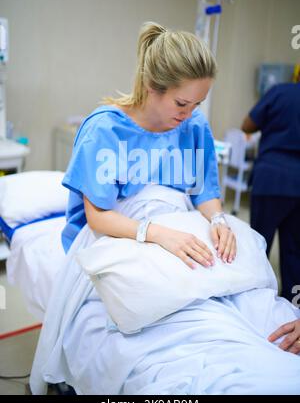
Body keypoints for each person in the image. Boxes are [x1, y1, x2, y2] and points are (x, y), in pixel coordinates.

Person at [61, 21, 237, 270]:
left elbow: (203, 191)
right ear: (152, 86)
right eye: (181, 103)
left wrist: (219, 220)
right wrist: (160, 235)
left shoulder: (194, 125)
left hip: (176, 230)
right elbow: (98, 217)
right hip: (115, 238)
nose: (189, 114)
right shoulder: (106, 130)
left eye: (197, 104)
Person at [241, 77, 300, 302]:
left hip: (271, 179)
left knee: (259, 242)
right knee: (295, 251)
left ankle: (253, 300)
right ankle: (292, 309)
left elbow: (247, 125)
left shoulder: (279, 92)